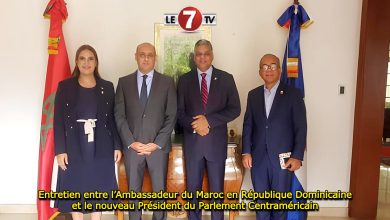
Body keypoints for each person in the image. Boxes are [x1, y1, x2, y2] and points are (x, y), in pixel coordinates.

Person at [54, 44, 122, 220]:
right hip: (74, 144)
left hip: (101, 144)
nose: (86, 62)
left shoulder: (107, 87)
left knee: (97, 183)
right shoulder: (65, 86)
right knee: (76, 183)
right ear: (76, 62)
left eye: (90, 58)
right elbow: (58, 120)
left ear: (96, 62)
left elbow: (112, 119)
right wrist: (60, 150)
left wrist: (117, 145)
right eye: (82, 58)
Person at [177, 39, 241, 220]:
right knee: (193, 193)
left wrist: (209, 121)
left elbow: (235, 108)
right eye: (198, 54)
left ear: (212, 55)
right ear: (194, 57)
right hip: (193, 144)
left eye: (206, 53)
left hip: (216, 145)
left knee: (216, 193)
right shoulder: (184, 80)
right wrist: (196, 125)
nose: (202, 57)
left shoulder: (226, 78)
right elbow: (179, 112)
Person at [115, 42, 177, 220]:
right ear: (135, 56)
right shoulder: (124, 82)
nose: (146, 58)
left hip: (157, 148)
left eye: (150, 55)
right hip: (132, 148)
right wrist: (130, 142)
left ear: (155, 58)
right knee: (133, 191)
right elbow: (119, 115)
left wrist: (157, 143)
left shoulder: (167, 82)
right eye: (142, 54)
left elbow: (171, 115)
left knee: (159, 190)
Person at [242, 54, 307, 220]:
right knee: (261, 206)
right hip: (258, 160)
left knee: (279, 207)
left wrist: (297, 156)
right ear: (259, 72)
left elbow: (301, 127)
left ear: (279, 70)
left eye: (272, 66)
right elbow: (248, 125)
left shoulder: (293, 94)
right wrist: (246, 152)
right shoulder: (253, 95)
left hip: (283, 160)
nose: (268, 70)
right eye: (264, 67)